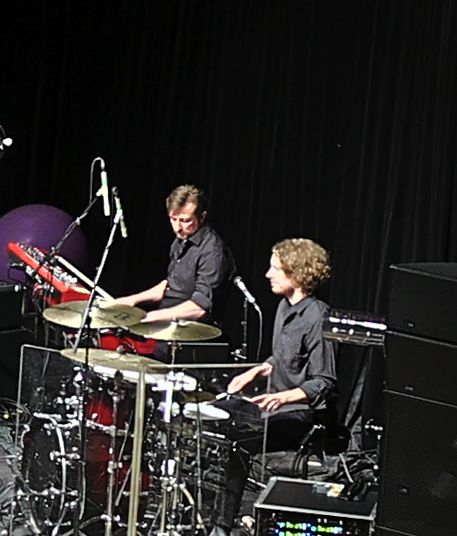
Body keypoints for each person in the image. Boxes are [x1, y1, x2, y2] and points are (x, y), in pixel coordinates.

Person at [215, 236, 334, 445]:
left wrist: (282, 398)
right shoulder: (283, 307)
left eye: (275, 269)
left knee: (230, 422)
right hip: (274, 404)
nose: (268, 274)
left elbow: (324, 382)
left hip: (298, 413)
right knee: (214, 411)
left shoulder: (317, 316)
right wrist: (258, 370)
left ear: (298, 274)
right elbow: (284, 357)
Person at [102, 185, 224, 321]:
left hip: (191, 331)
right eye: (173, 219)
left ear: (202, 217)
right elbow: (169, 286)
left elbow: (199, 308)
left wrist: (146, 318)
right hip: (169, 320)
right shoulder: (181, 241)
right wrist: (131, 300)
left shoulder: (213, 252)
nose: (177, 228)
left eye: (185, 220)